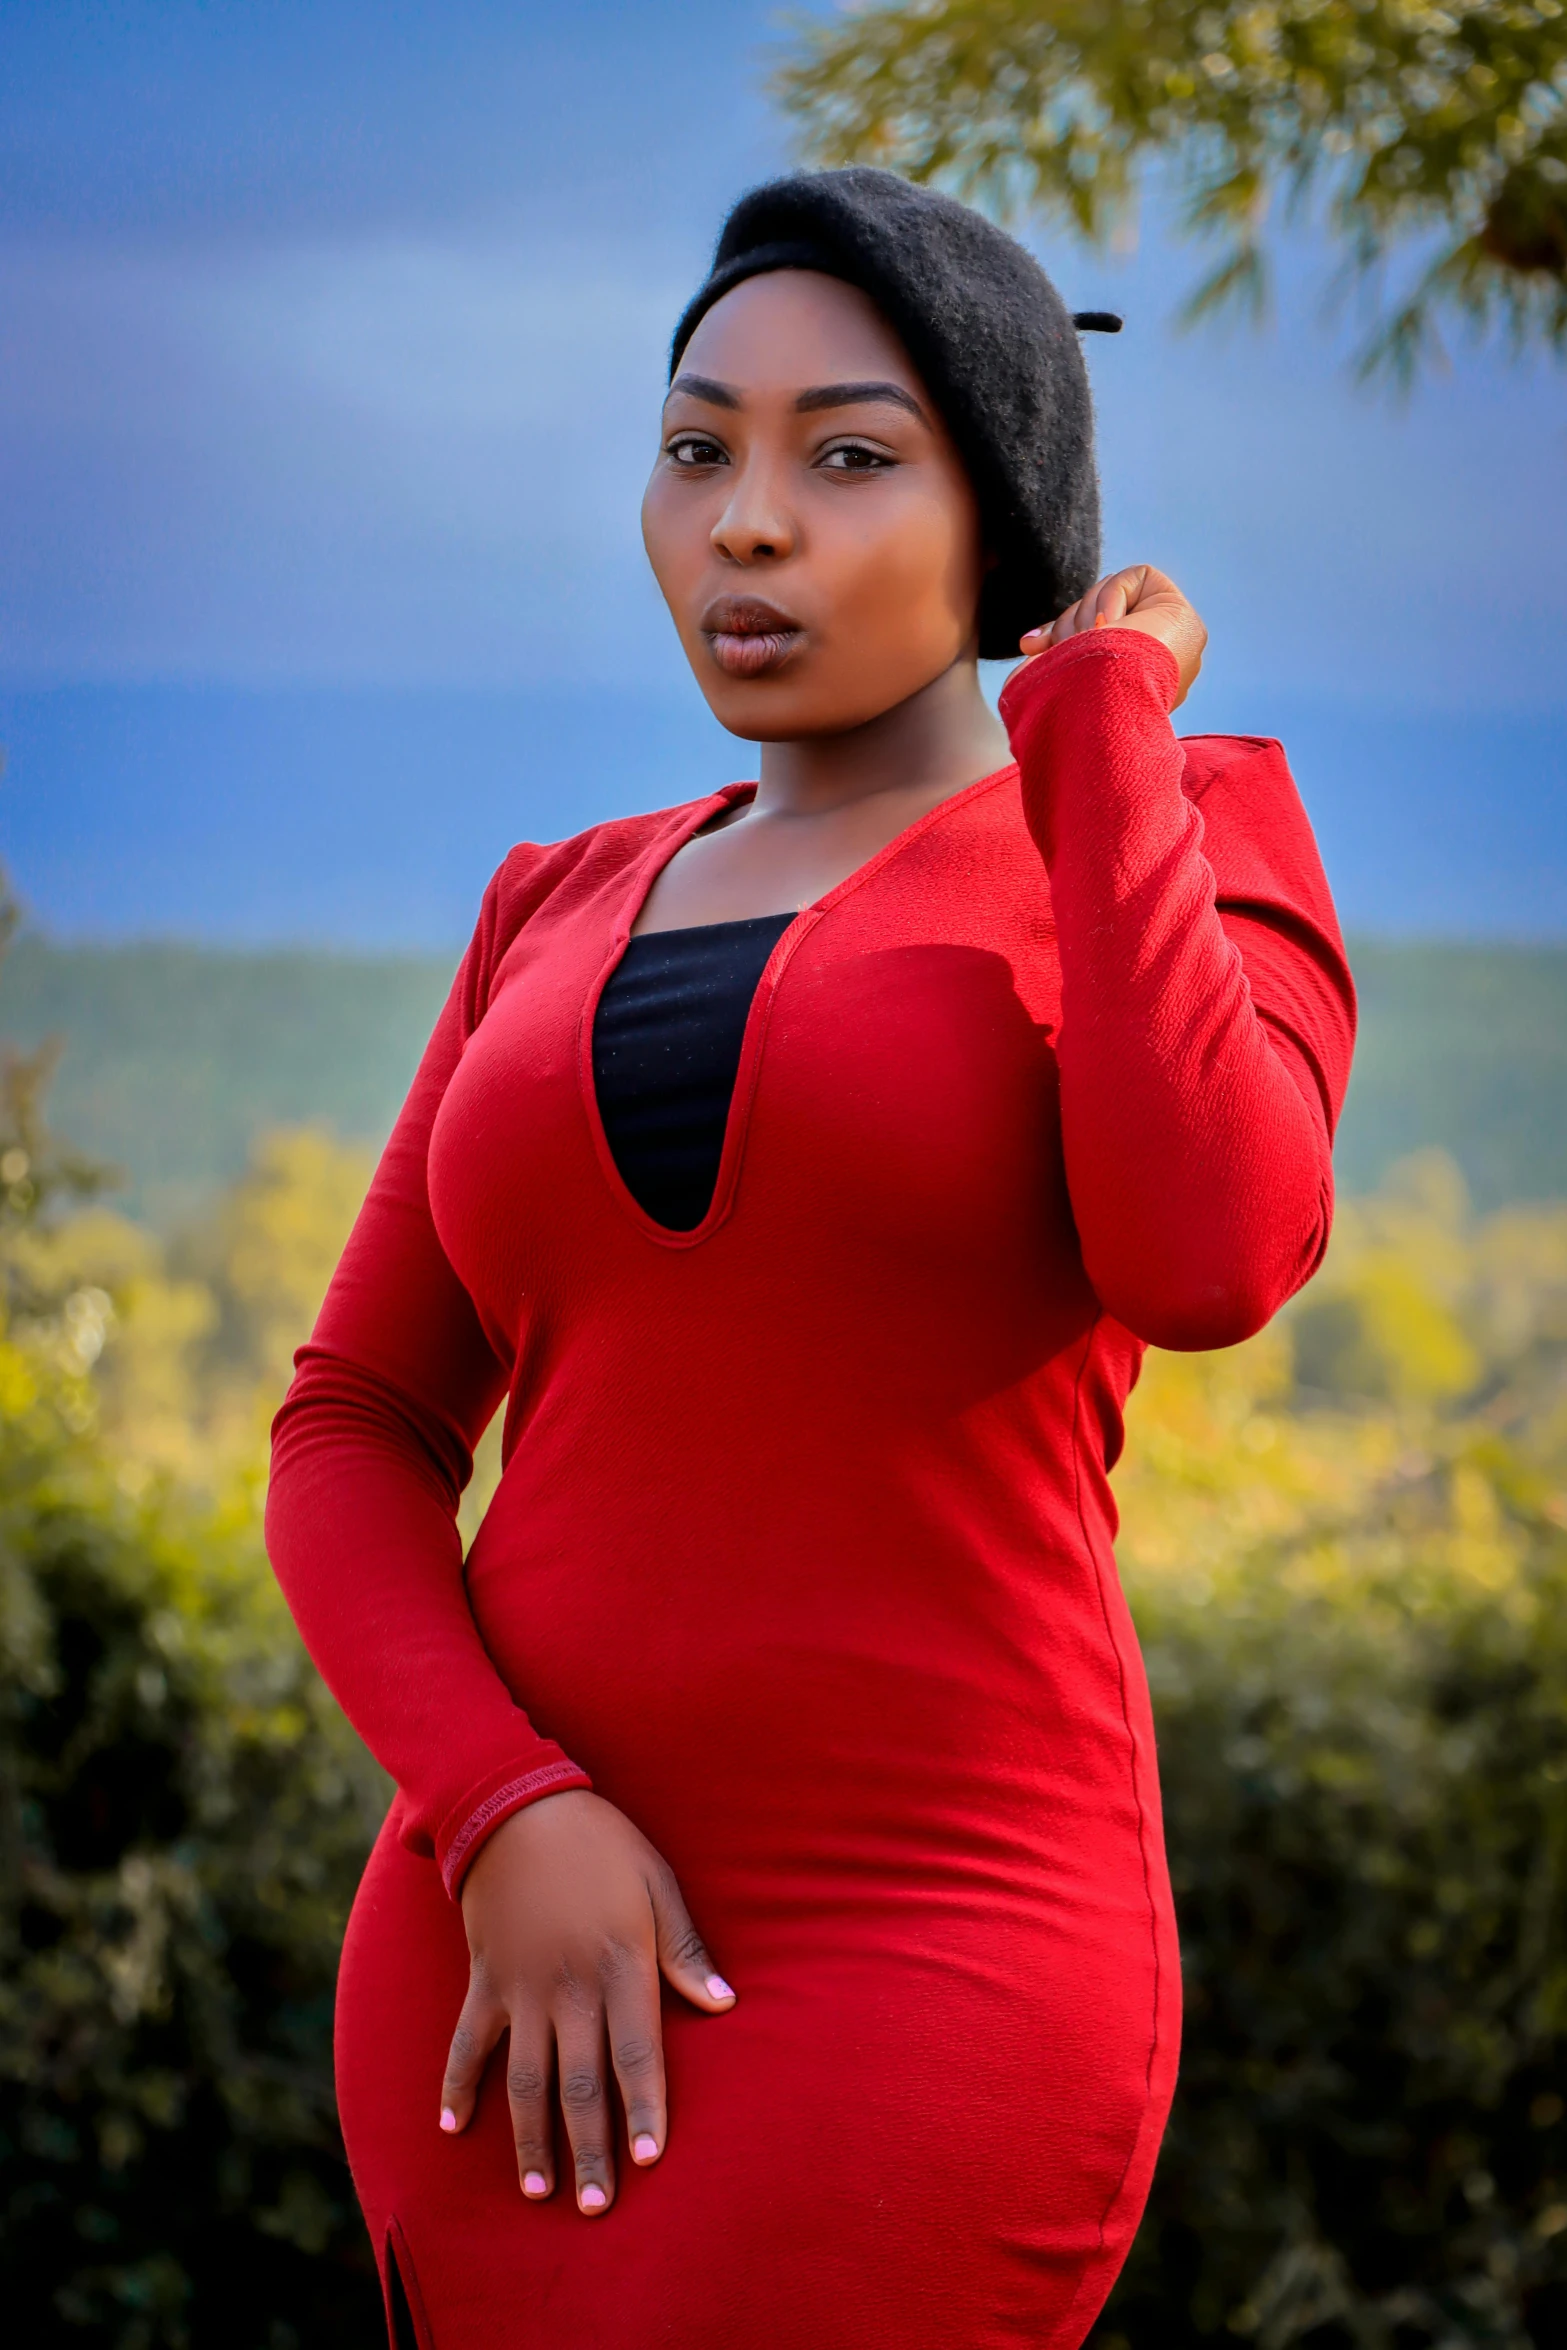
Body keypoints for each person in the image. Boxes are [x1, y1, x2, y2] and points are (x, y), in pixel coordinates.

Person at [266, 167, 1355, 2350]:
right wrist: (502, 1808)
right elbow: (358, 1425)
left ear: (1009, 513)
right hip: (501, 1954)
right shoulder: (551, 898)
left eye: (848, 455)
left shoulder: (1170, 833)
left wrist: (1107, 730)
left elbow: (1213, 1247)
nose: (748, 522)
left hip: (936, 1947)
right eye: (699, 450)